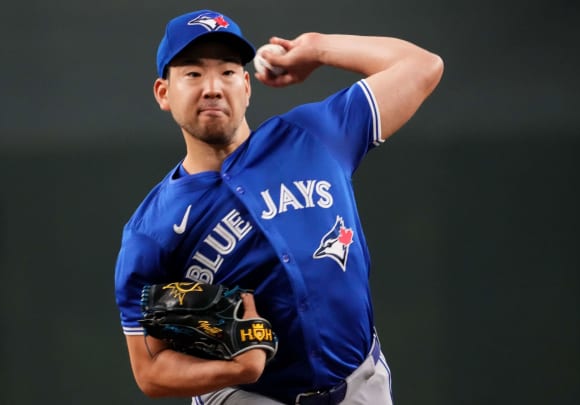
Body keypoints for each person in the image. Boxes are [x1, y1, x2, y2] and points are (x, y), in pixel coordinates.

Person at [114, 8, 443, 405]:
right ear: (164, 93)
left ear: (247, 87)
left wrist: (318, 48)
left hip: (361, 385)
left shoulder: (314, 136)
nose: (213, 87)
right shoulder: (151, 230)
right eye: (193, 73)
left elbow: (422, 66)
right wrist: (235, 369)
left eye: (228, 71)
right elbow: (149, 371)